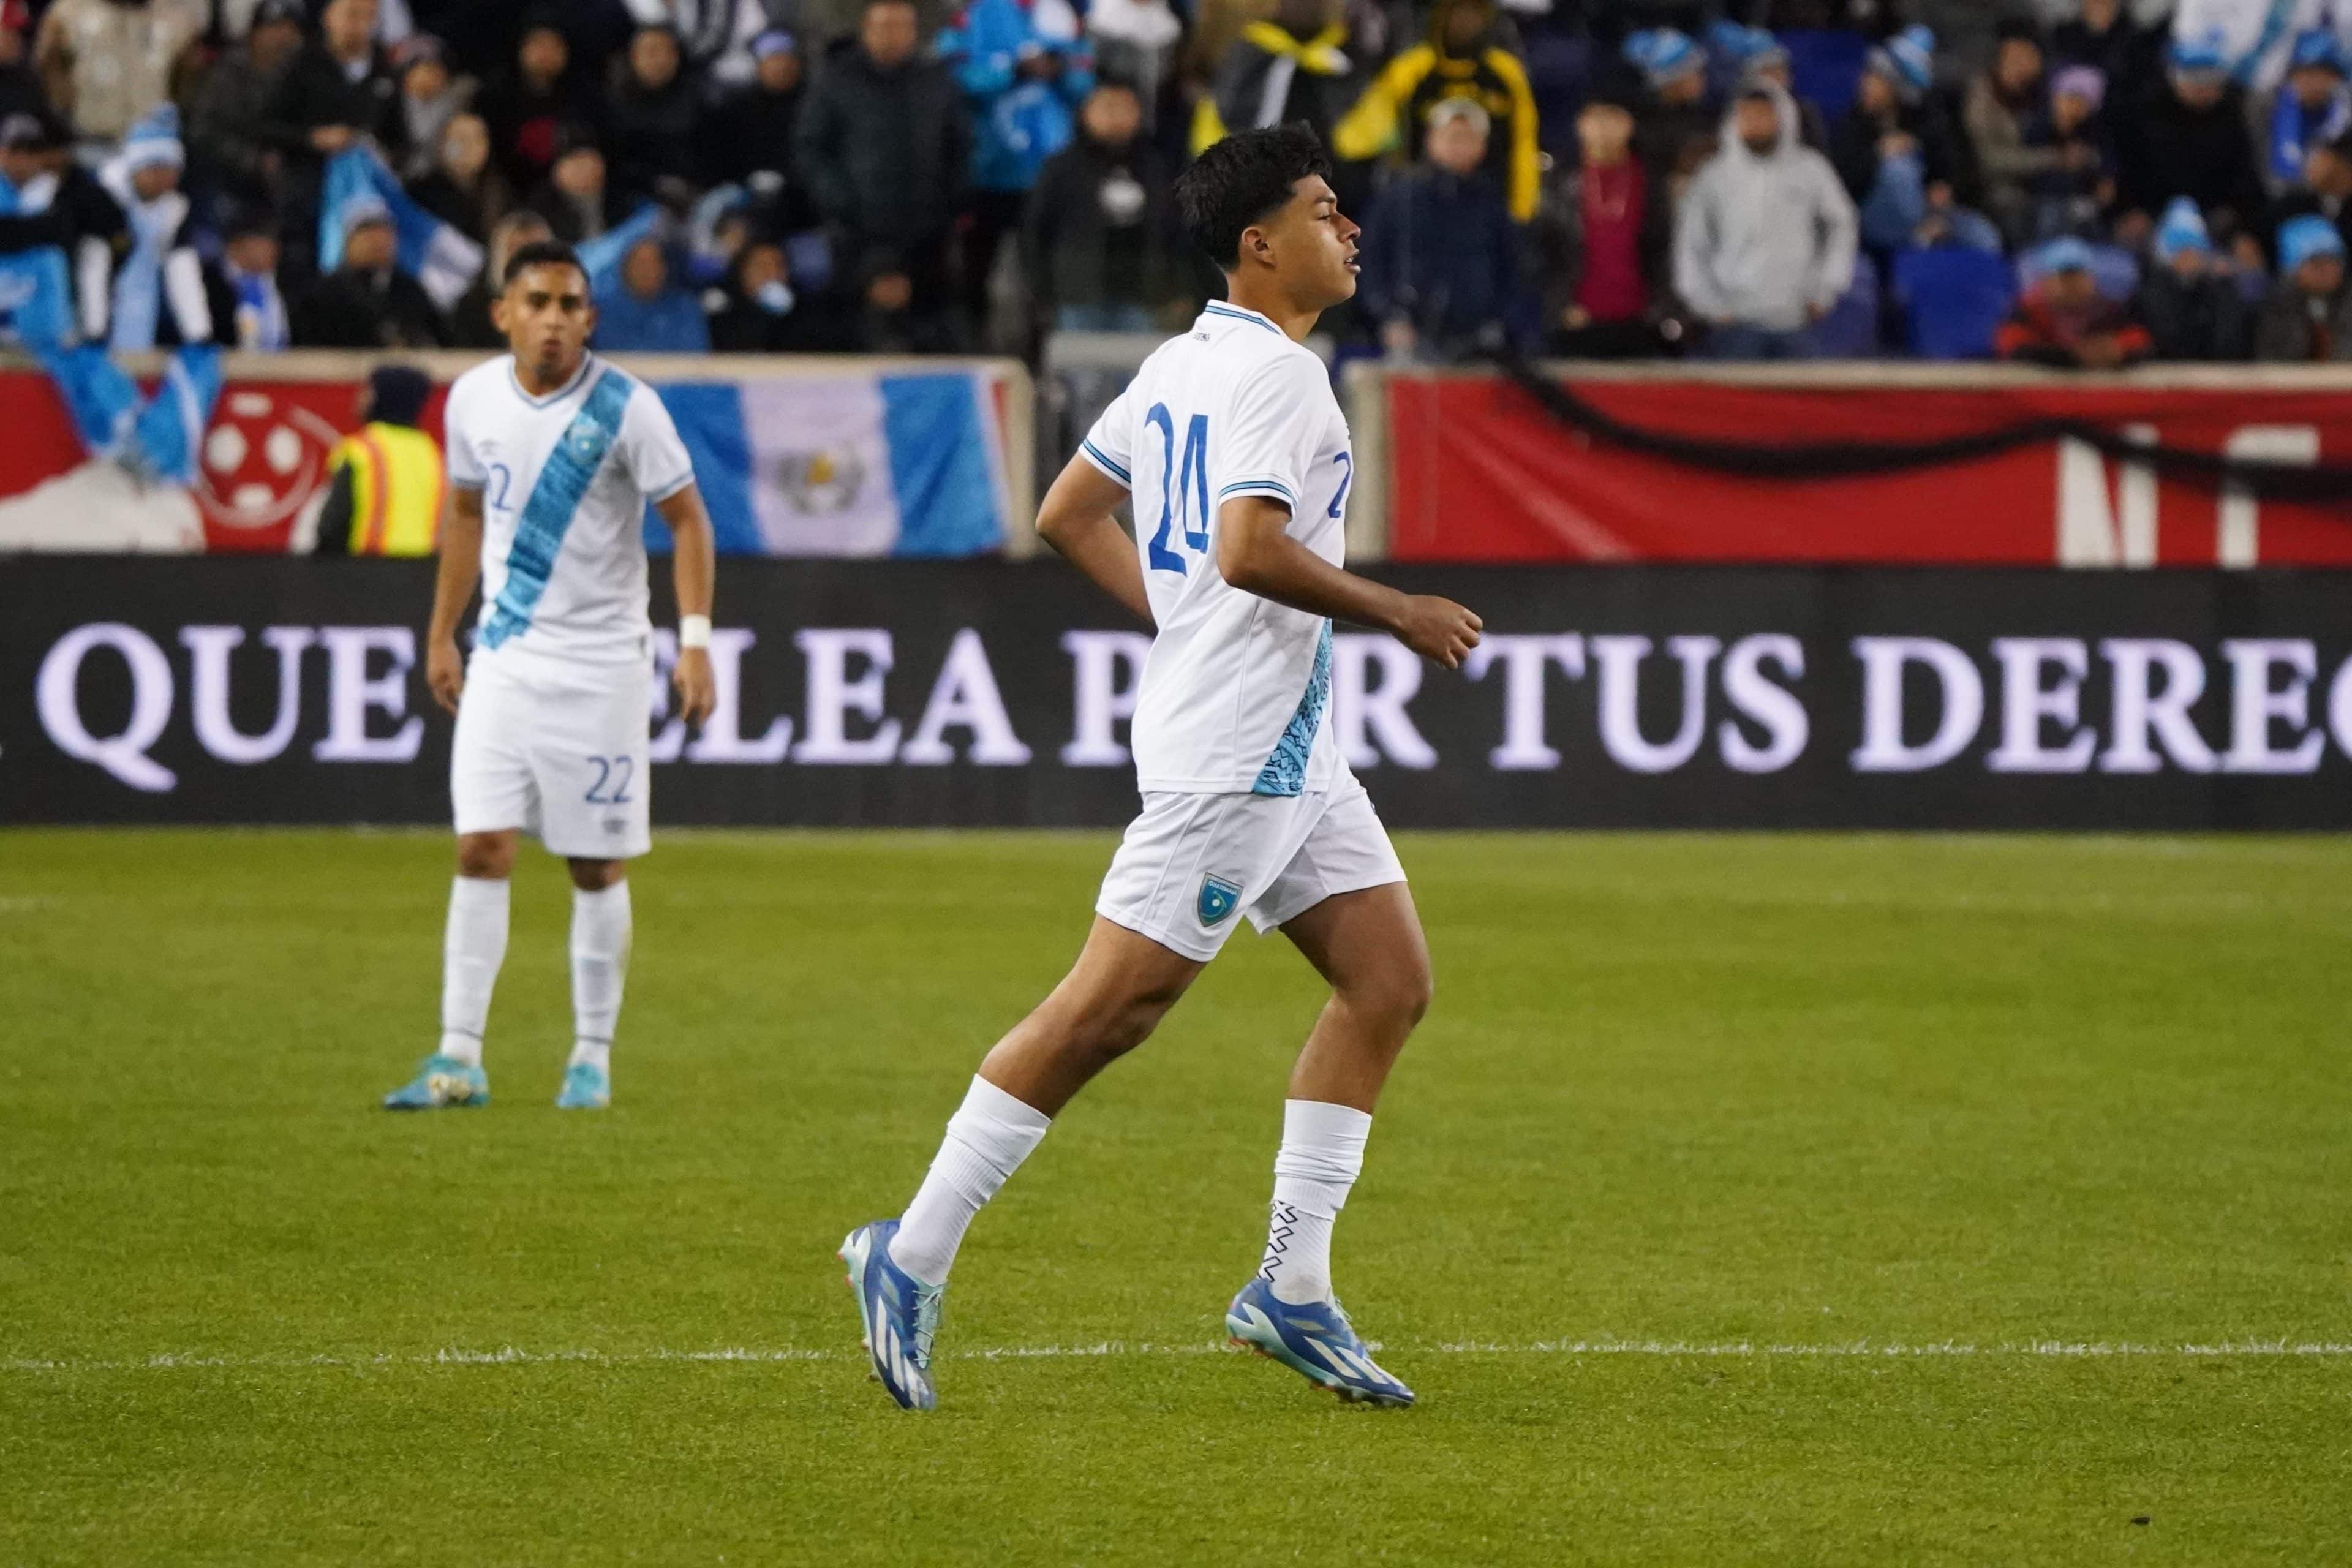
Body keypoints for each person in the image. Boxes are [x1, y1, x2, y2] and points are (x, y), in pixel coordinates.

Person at [837, 125, 1483, 1413]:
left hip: (1290, 750)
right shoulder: (1286, 382)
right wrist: (1394, 606)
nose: (1347, 228)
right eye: (1323, 209)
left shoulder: (1182, 362)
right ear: (1262, 244)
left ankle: (1291, 1287)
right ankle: (905, 1252)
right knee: (1105, 1013)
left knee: (1387, 981)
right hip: (1238, 754)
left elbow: (1067, 511)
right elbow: (1247, 549)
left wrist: (1177, 619)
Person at [386, 238, 720, 1115]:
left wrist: (693, 641)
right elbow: (463, 512)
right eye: (537, 302)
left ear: (589, 319)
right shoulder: (471, 400)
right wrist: (443, 633)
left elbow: (688, 521)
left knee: (594, 866)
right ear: (504, 313)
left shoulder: (627, 409)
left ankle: (591, 1057)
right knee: (481, 846)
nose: (554, 320)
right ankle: (459, 1058)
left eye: (571, 305)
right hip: (504, 654)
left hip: (603, 666)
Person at [796, 0, 971, 351]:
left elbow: (959, 146)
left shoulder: (935, 81)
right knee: (853, 335)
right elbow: (811, 148)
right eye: (883, 26)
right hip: (854, 235)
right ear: (866, 30)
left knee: (930, 338)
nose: (892, 35)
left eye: (901, 26)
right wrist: (839, 199)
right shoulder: (836, 79)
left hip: (925, 239)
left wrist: (947, 206)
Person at [937, 0, 1095, 341]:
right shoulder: (975, 14)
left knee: (1045, 274)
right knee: (975, 269)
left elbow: (1086, 82)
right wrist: (1013, 71)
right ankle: (971, 347)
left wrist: (1061, 71)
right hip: (988, 170)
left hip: (1050, 174)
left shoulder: (1064, 14)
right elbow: (951, 77)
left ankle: (1043, 356)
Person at [1676, 84, 1858, 360]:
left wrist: (1826, 289)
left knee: (1802, 402)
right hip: (1733, 321)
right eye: (1747, 116)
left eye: (1764, 116)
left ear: (1782, 119)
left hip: (1799, 320)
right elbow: (1691, 241)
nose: (1755, 124)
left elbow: (1841, 226)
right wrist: (1708, 302)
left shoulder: (1811, 169)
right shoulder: (1714, 176)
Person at [1330, 0, 1542, 222]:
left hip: (1489, 208)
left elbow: (1524, 144)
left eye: (1475, 13)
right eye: (1458, 12)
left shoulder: (1506, 74)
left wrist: (1522, 211)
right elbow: (1360, 134)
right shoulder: (1412, 70)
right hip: (1419, 207)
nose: (1466, 21)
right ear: (1441, 15)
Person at [1358, 98, 1528, 360]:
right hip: (1411, 336)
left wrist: (1502, 320)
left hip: (1479, 340)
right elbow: (1370, 262)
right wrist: (1388, 316)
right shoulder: (1400, 198)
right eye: (1452, 137)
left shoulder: (1492, 203)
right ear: (1431, 140)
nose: (1459, 146)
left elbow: (1511, 267)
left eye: (1468, 138)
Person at [1022, 77, 1184, 333]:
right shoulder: (1062, 168)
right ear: (1086, 112)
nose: (1117, 117)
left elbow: (1176, 231)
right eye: (1108, 108)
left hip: (1142, 296)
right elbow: (1036, 232)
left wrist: (1176, 286)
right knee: (1080, 370)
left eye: (1126, 108)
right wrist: (1041, 290)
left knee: (1140, 370)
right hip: (1078, 296)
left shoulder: (1156, 167)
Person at [2114, 35, 2268, 255]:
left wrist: (2237, 221)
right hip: (2155, 214)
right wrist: (2132, 209)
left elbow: (2245, 179)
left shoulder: (2231, 118)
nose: (2203, 90)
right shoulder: (2148, 113)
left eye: (2210, 82)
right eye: (2194, 81)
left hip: (2213, 218)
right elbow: (2129, 168)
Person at [1191, 0, 1357, 156]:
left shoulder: (1339, 62)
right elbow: (1216, 121)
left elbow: (1348, 139)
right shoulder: (1249, 50)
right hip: (1239, 172)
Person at [188, 0, 307, 209]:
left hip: (284, 181)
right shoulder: (228, 73)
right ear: (255, 32)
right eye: (276, 28)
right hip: (227, 178)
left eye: (292, 29)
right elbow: (203, 132)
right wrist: (253, 160)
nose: (285, 37)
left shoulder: (303, 75)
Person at [35, 0, 205, 144]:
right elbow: (49, 69)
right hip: (88, 141)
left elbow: (188, 82)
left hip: (155, 149)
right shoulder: (68, 12)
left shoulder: (178, 18)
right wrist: (67, 111)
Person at [316, 364, 442, 556]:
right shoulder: (435, 456)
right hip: (423, 576)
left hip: (366, 574)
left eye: (367, 391)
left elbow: (332, 527)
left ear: (380, 397)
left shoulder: (360, 451)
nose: (359, 398)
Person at [293, 202, 449, 347]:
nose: (378, 242)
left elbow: (439, 338)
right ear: (349, 242)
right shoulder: (325, 294)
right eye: (368, 234)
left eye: (384, 233)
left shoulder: (410, 291)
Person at [1964, 17, 2057, 245]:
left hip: (2041, 190)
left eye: (2028, 57)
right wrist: (2052, 158)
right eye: (2014, 58)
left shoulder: (2043, 96)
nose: (2022, 66)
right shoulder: (1982, 98)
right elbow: (1989, 161)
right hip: (1992, 193)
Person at [1994, 235, 2154, 367]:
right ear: (2045, 282)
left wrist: (2116, 348)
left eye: (2079, 276)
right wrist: (2071, 357)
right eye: (2064, 278)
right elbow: (2011, 344)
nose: (2072, 286)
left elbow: (2140, 339)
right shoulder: (2028, 311)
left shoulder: (2107, 310)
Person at [2136, 197, 2254, 360]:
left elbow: (2230, 339)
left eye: (2194, 250)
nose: (2189, 258)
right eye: (2181, 252)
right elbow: (2168, 341)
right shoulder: (2152, 294)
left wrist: (2225, 288)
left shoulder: (2219, 290)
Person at [605, 23, 704, 213]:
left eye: (669, 52)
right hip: (636, 200)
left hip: (695, 195)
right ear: (634, 57)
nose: (661, 60)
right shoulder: (613, 104)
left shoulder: (698, 98)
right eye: (652, 52)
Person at [2264, 29, 2352, 196]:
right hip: (2279, 200)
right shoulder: (2264, 110)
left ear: (2335, 78)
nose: (2311, 82)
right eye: (2304, 74)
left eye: (2320, 74)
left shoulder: (2347, 117)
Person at [2255, 211, 2352, 360]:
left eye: (2333, 261)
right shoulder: (2275, 307)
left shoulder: (2348, 301)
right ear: (2291, 270)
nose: (2327, 270)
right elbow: (2271, 358)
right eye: (2316, 263)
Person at [407, 111, 512, 243]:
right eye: (461, 139)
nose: (470, 146)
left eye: (478, 139)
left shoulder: (499, 192)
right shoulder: (420, 193)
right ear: (442, 145)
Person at [594, 236, 711, 352]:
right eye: (640, 264)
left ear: (665, 270)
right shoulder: (602, 310)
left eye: (654, 264)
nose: (647, 271)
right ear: (624, 269)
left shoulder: (685, 308)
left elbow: (696, 352)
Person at [393, 34, 475, 185]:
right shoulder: (391, 103)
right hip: (394, 180)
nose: (436, 76)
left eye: (441, 70)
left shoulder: (452, 105)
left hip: (435, 181)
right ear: (408, 73)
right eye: (428, 69)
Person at [221, 206, 290, 351]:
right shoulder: (215, 281)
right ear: (237, 245)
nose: (272, 251)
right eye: (263, 243)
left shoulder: (277, 283)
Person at [529, 125, 611, 244]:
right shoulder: (540, 213)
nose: (583, 170)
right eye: (573, 160)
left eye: (587, 157)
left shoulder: (624, 197)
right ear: (556, 171)